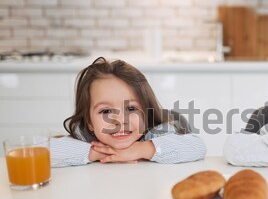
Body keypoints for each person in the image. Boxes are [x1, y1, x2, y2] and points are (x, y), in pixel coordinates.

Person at [51, 57, 206, 167]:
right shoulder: (85, 138)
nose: (120, 120)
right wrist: (96, 153)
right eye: (106, 111)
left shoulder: (158, 134)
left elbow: (198, 147)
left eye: (131, 109)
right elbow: (41, 152)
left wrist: (141, 149)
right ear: (90, 122)